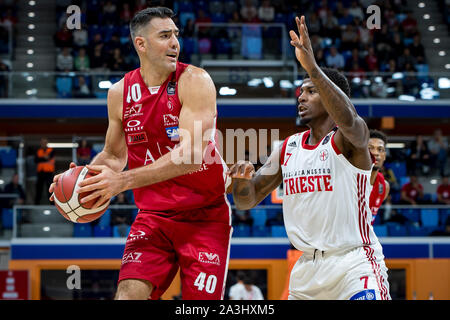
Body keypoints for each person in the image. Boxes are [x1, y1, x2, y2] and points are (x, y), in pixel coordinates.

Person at [49, 7, 232, 300]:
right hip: (153, 217)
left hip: (204, 216)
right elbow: (112, 154)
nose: (175, 43)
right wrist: (85, 177)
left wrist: (122, 182)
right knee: (127, 296)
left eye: (176, 35)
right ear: (141, 44)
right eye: (164, 36)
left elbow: (191, 155)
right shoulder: (119, 93)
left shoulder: (195, 81)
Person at [228, 16, 390, 300]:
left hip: (354, 263)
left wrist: (313, 68)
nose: (300, 98)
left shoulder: (349, 141)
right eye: (300, 92)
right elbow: (247, 199)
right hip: (307, 270)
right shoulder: (287, 148)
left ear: (330, 97)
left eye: (311, 91)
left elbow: (351, 121)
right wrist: (240, 182)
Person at [368, 130, 390, 225]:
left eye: (380, 149)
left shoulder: (384, 186)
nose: (375, 153)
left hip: (365, 238)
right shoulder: (348, 181)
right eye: (370, 148)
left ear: (384, 156)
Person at [35, 138, 55, 204]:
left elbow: (49, 158)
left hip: (49, 172)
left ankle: (52, 204)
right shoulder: (38, 151)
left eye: (45, 142)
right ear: (41, 143)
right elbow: (36, 160)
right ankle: (36, 204)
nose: (43, 143)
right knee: (39, 189)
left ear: (47, 143)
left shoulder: (51, 150)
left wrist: (41, 158)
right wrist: (45, 158)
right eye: (42, 142)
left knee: (49, 189)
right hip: (40, 172)